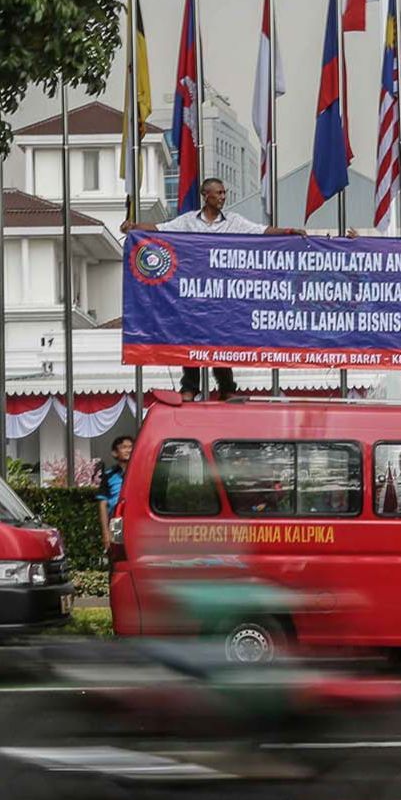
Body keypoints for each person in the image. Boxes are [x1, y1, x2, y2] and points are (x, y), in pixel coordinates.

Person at [121, 178, 305, 400]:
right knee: (190, 337)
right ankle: (189, 387)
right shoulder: (188, 221)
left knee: (220, 339)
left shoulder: (234, 222)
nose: (223, 197)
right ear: (205, 195)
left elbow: (261, 231)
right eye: (218, 193)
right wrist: (134, 228)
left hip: (221, 295)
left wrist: (288, 232)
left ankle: (227, 388)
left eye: (224, 193)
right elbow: (159, 229)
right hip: (194, 293)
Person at [96, 435, 133, 552]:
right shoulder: (109, 475)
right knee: (118, 553)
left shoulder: (140, 472)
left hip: (136, 519)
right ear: (115, 453)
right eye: (124, 447)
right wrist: (105, 532)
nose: (128, 450)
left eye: (131, 447)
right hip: (117, 520)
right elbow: (103, 505)